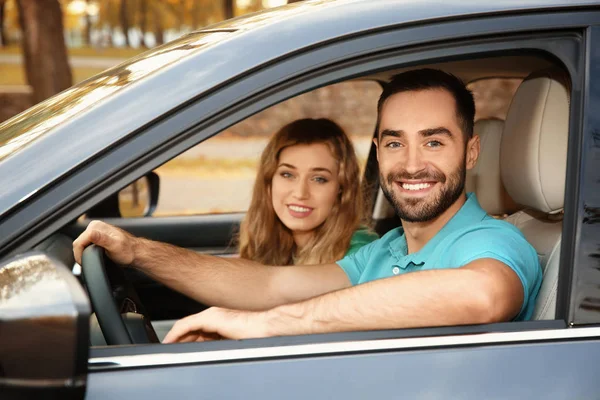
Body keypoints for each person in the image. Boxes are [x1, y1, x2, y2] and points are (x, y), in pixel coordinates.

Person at [73, 68, 542, 344]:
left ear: (472, 152)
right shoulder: (383, 251)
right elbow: (272, 284)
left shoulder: (496, 240)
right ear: (377, 152)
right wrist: (138, 252)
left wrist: (263, 326)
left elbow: (483, 296)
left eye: (434, 142)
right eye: (395, 143)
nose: (412, 164)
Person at [238, 118, 378, 266]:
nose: (300, 193)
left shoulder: (363, 252)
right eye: (287, 175)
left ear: (341, 189)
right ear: (269, 181)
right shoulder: (268, 242)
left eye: (319, 179)